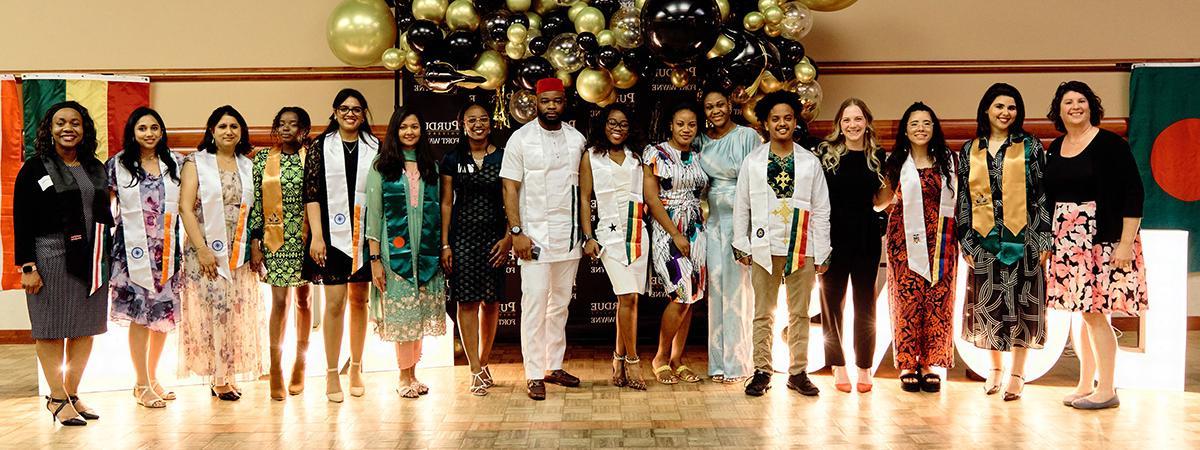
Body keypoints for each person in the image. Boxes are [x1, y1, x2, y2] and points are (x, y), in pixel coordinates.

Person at [1044, 81, 1147, 410]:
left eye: (1081, 100)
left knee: (1095, 314)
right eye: (1068, 102)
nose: (1075, 106)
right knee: (1082, 314)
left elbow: (1134, 192)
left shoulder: (1110, 144)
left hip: (1103, 239)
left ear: (1092, 106)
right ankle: (1086, 383)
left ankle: (1107, 388)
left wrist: (1126, 243)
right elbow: (1048, 198)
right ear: (1058, 110)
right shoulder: (1055, 147)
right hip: (1067, 241)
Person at [14, 101, 112, 425]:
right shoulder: (35, 168)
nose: (68, 128)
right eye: (61, 123)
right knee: (51, 329)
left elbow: (104, 214)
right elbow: (22, 219)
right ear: (50, 129)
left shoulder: (95, 167)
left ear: (84, 129)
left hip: (92, 257)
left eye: (75, 123)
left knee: (85, 329)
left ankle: (71, 392)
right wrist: (27, 266)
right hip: (50, 256)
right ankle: (56, 397)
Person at [957, 83, 1052, 402]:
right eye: (999, 106)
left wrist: (1042, 238)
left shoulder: (1031, 147)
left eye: (1011, 107)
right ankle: (994, 369)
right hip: (984, 239)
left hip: (1024, 236)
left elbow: (1042, 194)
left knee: (1024, 302)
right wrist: (966, 241)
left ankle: (1017, 372)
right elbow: (964, 199)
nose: (1005, 112)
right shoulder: (970, 150)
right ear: (986, 109)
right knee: (990, 303)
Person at [735, 91, 831, 397]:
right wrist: (742, 242)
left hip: (803, 247)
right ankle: (762, 370)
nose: (782, 123)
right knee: (763, 312)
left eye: (787, 118)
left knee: (799, 313)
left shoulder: (809, 162)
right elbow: (742, 205)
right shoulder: (753, 162)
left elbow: (822, 207)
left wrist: (823, 249)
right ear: (765, 123)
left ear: (795, 122)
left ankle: (798, 371)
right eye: (775, 118)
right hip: (764, 247)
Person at [501, 78, 587, 400]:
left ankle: (554, 365)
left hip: (568, 238)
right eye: (545, 101)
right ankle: (534, 373)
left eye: (557, 101)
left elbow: (582, 190)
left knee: (560, 305)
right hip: (533, 238)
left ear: (564, 102)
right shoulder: (520, 139)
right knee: (535, 304)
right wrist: (517, 232)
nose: (551, 106)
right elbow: (510, 187)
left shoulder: (577, 140)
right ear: (536, 102)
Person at [177, 105, 265, 401]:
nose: (229, 131)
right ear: (211, 131)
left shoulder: (247, 165)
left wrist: (254, 245)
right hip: (205, 251)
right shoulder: (196, 163)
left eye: (234, 127)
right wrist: (202, 249)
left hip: (237, 250)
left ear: (242, 133)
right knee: (213, 310)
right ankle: (217, 377)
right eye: (223, 126)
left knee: (233, 310)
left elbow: (254, 212)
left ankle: (226, 372)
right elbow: (185, 208)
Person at [876, 102, 959, 393]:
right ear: (905, 130)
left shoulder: (949, 162)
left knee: (938, 299)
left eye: (926, 123)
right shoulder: (895, 162)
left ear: (934, 128)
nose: (920, 128)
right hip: (904, 243)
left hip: (942, 240)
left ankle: (930, 363)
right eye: (914, 124)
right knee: (907, 300)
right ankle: (909, 363)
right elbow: (879, 202)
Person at [366, 107, 447, 398]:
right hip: (393, 252)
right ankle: (402, 376)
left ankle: (414, 373)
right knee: (403, 316)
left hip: (424, 252)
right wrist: (375, 259)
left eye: (414, 126)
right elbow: (373, 216)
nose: (409, 132)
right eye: (403, 127)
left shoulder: (430, 166)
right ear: (394, 131)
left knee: (419, 312)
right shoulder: (382, 166)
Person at [304, 89, 379, 402]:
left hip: (364, 234)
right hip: (331, 239)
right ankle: (332, 372)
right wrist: (317, 236)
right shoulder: (320, 147)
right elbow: (312, 194)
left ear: (363, 114)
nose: (351, 114)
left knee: (359, 301)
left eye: (357, 109)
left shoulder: (375, 147)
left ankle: (357, 366)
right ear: (334, 111)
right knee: (335, 303)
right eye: (345, 109)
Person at [108, 107, 185, 408]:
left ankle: (153, 377)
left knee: (161, 318)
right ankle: (140, 383)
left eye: (155, 127)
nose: (150, 133)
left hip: (166, 252)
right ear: (133, 132)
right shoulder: (118, 164)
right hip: (131, 253)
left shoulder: (175, 163)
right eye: (143, 128)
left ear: (162, 131)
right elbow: (104, 206)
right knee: (140, 317)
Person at [813, 98, 887, 393]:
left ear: (867, 122)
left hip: (866, 234)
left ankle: (865, 366)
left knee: (865, 302)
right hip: (832, 235)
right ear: (839, 125)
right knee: (831, 302)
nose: (853, 125)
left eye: (858, 119)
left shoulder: (878, 155)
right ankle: (838, 364)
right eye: (847, 120)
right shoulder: (825, 153)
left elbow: (880, 200)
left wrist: (893, 197)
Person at [439, 101, 509, 396]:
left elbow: (514, 201)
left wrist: (508, 237)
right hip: (463, 237)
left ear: (490, 124)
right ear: (462, 124)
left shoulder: (505, 157)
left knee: (491, 302)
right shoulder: (452, 158)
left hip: (495, 237)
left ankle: (484, 361)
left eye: (483, 119)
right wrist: (445, 243)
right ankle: (474, 370)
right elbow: (445, 203)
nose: (478, 124)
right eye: (471, 120)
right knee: (466, 302)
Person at [580, 103, 649, 391]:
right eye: (612, 123)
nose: (617, 129)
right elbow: (584, 198)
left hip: (637, 234)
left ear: (630, 127)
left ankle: (618, 358)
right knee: (627, 296)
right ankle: (633, 360)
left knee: (628, 300)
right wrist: (588, 236)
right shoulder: (591, 157)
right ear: (603, 125)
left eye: (622, 124)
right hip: (608, 238)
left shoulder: (638, 157)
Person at [249, 106, 315, 400]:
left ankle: (300, 363)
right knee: (279, 301)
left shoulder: (313, 158)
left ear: (303, 129)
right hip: (274, 239)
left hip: (306, 238)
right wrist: (254, 242)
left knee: (305, 299)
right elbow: (255, 202)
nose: (287, 128)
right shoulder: (263, 159)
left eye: (294, 124)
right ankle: (275, 366)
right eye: (282, 124)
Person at [696, 87, 759, 383]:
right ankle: (718, 364)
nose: (715, 110)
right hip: (713, 222)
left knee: (739, 292)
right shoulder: (701, 142)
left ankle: (738, 364)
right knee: (717, 291)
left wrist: (748, 230)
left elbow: (754, 180)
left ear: (730, 105)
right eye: (709, 106)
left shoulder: (747, 136)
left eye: (720, 104)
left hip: (740, 220)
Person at [643, 102, 708, 385]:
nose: (686, 129)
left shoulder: (698, 155)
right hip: (668, 231)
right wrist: (675, 234)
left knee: (691, 297)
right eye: (680, 123)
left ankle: (677, 359)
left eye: (691, 124)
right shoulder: (655, 153)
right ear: (671, 124)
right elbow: (652, 199)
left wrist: (691, 232)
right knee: (681, 293)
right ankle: (660, 357)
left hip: (696, 231)